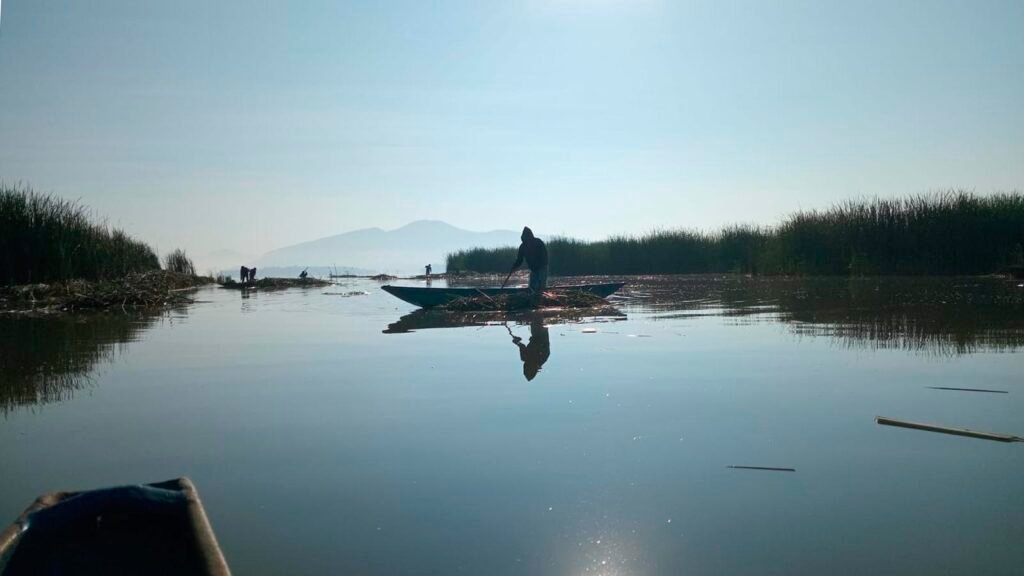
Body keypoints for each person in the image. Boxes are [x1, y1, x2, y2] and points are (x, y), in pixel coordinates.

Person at [510, 316, 551, 381]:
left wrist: (517, 342)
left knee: (535, 319)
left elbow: (522, 346)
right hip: (542, 334)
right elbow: (545, 345)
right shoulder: (542, 358)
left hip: (536, 335)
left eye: (526, 368)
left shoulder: (524, 358)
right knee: (538, 319)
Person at [510, 226, 548, 292]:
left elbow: (545, 256)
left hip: (542, 268)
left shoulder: (538, 242)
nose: (526, 240)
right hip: (533, 269)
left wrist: (540, 266)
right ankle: (534, 294)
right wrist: (514, 266)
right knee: (532, 287)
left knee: (540, 287)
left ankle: (540, 294)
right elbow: (519, 260)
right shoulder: (522, 246)